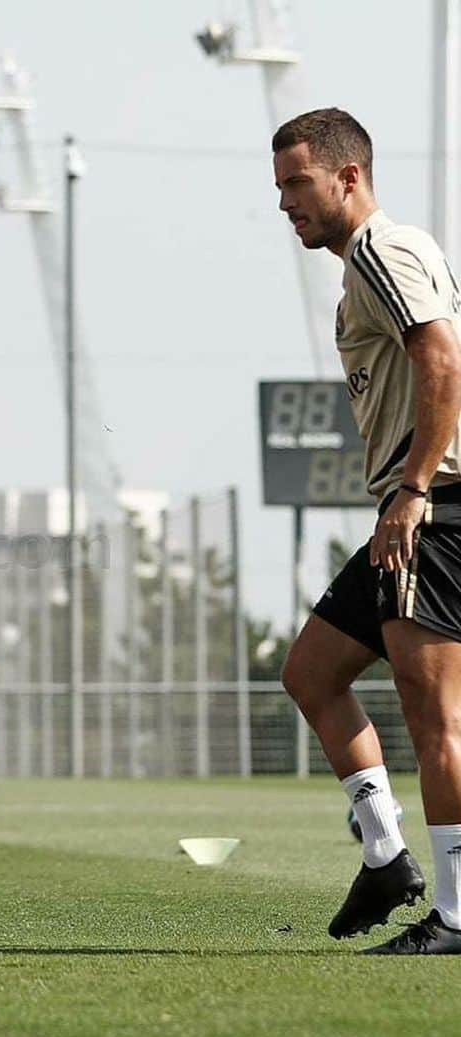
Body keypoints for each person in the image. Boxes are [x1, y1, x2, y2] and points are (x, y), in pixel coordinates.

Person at [275, 108, 461, 953]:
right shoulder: (362, 267)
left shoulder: (387, 251)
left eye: (296, 184)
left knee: (434, 716)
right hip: (405, 512)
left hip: (433, 509)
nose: (285, 203)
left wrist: (415, 489)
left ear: (348, 177)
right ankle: (386, 855)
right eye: (279, 188)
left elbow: (443, 357)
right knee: (312, 671)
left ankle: (458, 916)